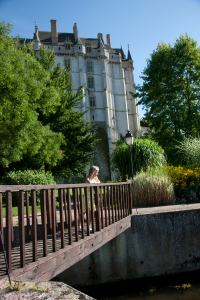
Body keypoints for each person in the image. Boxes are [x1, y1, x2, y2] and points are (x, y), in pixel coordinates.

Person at [78, 166, 100, 232]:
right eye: (96, 172)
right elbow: (89, 183)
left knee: (91, 212)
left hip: (92, 197)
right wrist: (95, 183)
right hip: (87, 197)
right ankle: (79, 226)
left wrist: (96, 182)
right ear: (93, 172)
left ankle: (88, 226)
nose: (97, 173)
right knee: (83, 212)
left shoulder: (96, 178)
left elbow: (99, 183)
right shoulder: (87, 178)